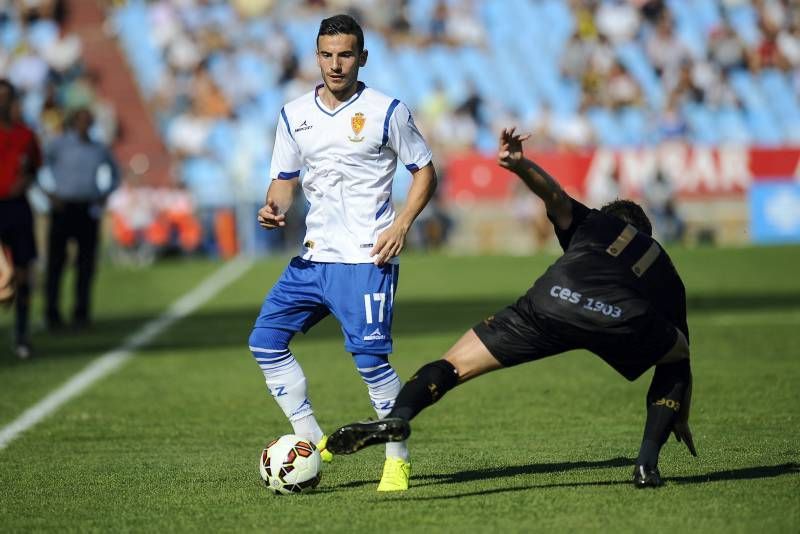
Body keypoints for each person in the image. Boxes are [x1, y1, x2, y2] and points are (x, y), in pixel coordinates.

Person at [327, 128, 696, 489]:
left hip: (553, 300)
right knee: (675, 354)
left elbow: (552, 194)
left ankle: (399, 416)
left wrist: (519, 165)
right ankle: (647, 464)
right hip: (622, 318)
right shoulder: (666, 270)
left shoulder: (595, 221)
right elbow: (682, 360)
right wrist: (677, 410)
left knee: (454, 364)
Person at [249, 14, 436, 492]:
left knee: (371, 364)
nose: (336, 64)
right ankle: (309, 438)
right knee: (265, 341)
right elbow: (284, 182)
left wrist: (402, 224)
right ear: (317, 57)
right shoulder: (294, 114)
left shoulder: (387, 111)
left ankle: (397, 460)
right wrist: (273, 207)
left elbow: (424, 172)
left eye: (345, 55)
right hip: (314, 259)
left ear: (362, 58)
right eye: (327, 55)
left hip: (366, 259)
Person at [43, 107, 120, 330]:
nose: (86, 124)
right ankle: (52, 312)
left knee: (86, 264)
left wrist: (104, 195)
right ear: (73, 122)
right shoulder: (59, 144)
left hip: (87, 207)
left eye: (89, 120)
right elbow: (39, 166)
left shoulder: (98, 148)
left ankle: (81, 312)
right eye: (82, 120)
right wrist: (48, 193)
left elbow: (115, 174)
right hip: (63, 206)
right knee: (56, 262)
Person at [0, 79, 42, 359]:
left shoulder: (26, 135)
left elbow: (35, 167)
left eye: (5, 97)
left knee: (24, 272)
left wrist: (25, 181)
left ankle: (22, 333)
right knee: (4, 279)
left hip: (17, 208)